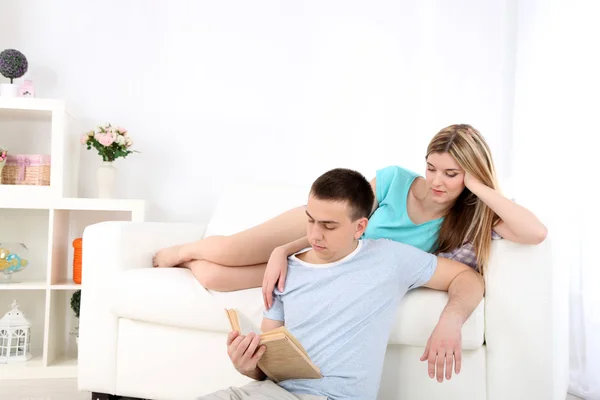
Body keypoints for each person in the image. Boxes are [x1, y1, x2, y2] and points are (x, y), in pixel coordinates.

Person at [152, 124, 547, 304]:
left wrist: (477, 185)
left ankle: (190, 262)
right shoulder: (394, 180)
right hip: (316, 230)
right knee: (229, 251)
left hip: (336, 264)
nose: (437, 181)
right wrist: (282, 251)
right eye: (431, 167)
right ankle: (185, 248)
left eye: (451, 173)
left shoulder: (468, 216)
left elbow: (535, 233)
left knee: (215, 277)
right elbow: (337, 223)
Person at [198, 168, 484, 400]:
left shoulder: (389, 258)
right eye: (310, 221)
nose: (315, 235)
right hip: (265, 393)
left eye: (329, 225)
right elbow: (265, 367)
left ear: (360, 226)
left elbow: (467, 278)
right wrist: (246, 365)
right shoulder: (286, 270)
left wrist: (451, 320)